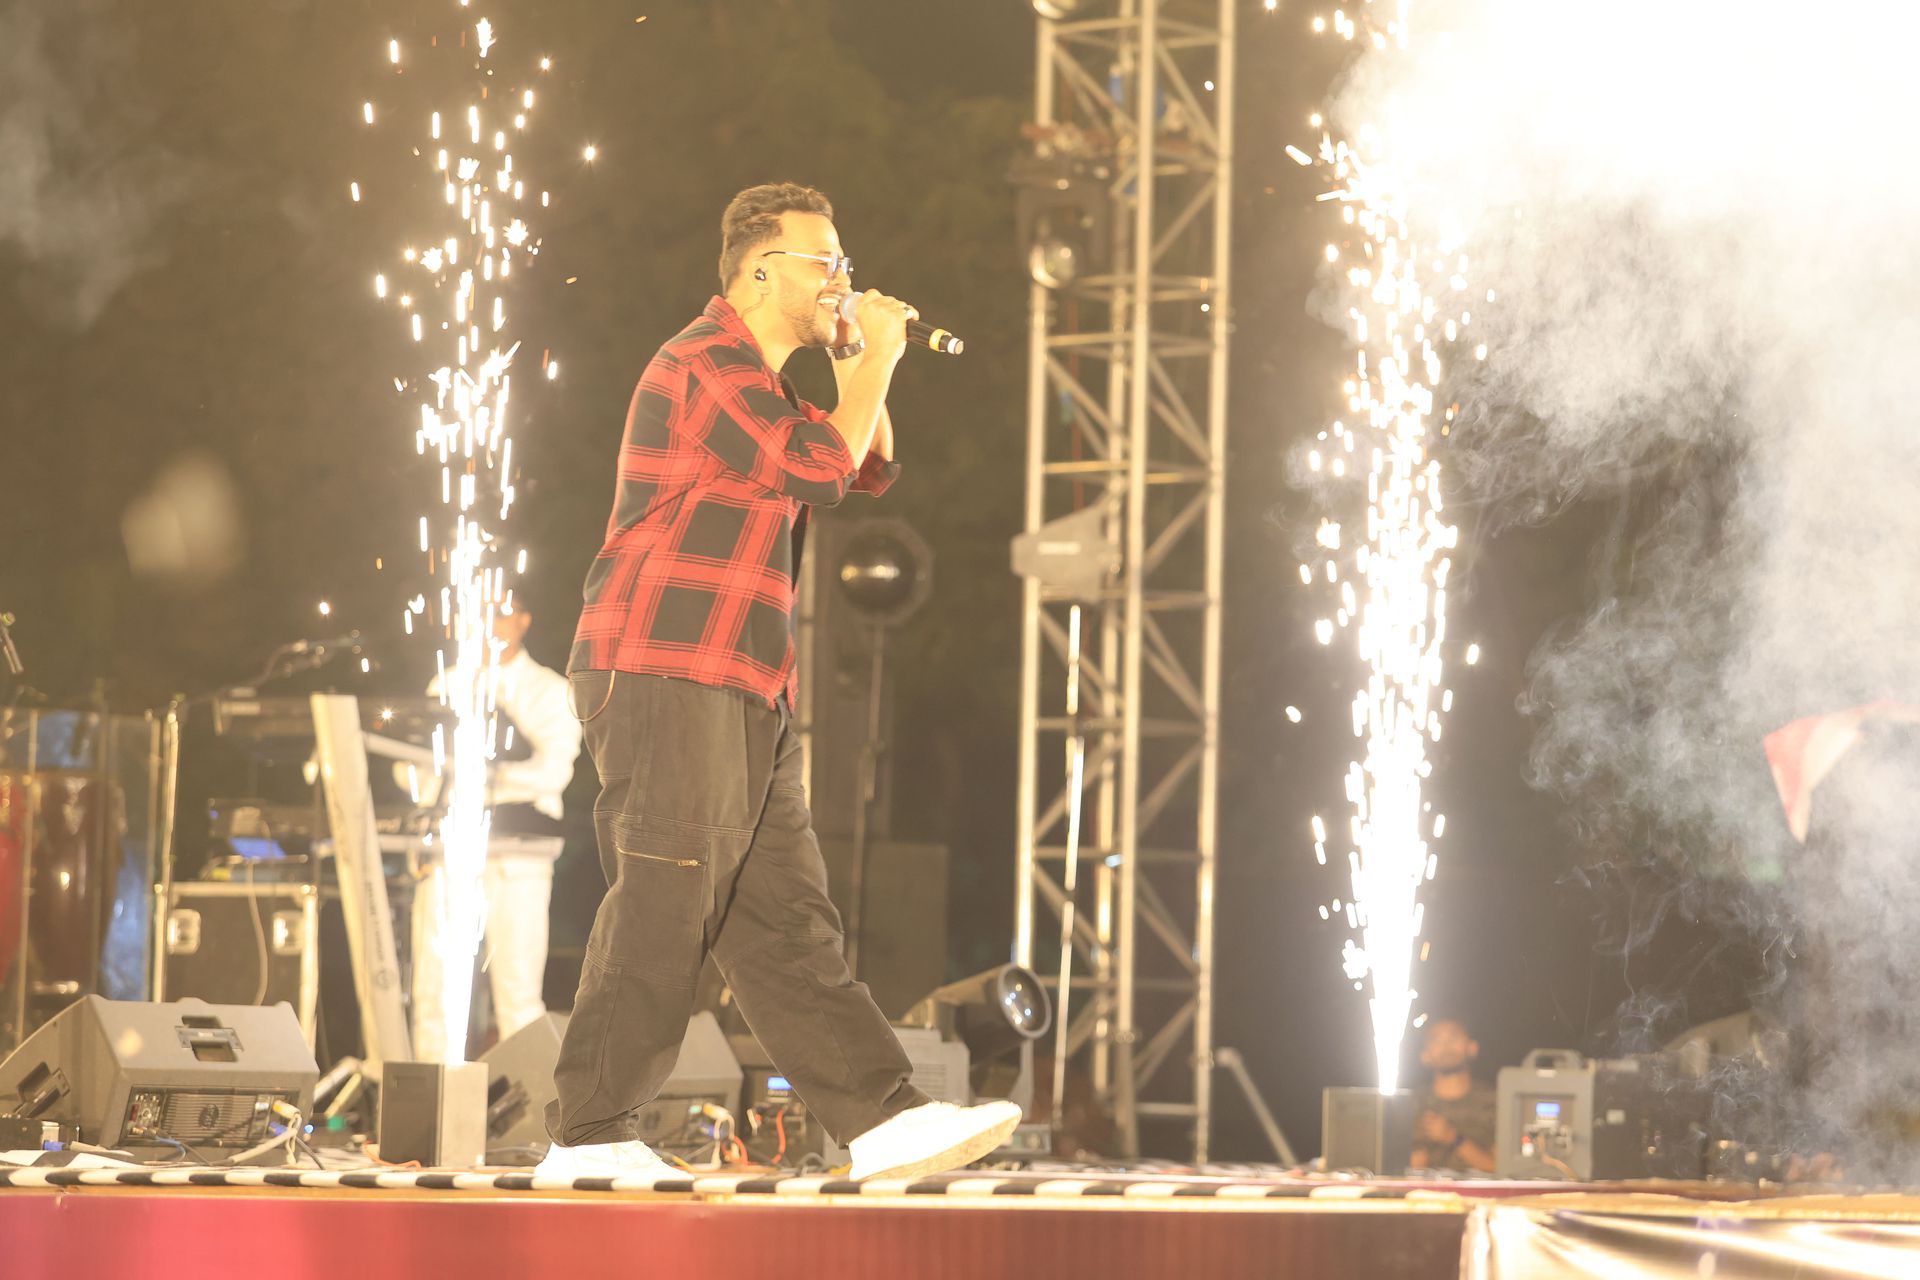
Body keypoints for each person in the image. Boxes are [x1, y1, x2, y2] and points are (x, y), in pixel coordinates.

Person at [537, 183, 1021, 1181]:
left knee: (784, 920)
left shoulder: (766, 384)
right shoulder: (704, 363)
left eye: (846, 262)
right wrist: (878, 358)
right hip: (667, 665)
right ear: (762, 271)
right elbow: (819, 467)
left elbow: (865, 458)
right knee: (668, 893)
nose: (843, 277)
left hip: (747, 680)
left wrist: (857, 359)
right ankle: (588, 1134)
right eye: (825, 260)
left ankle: (880, 1118)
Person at [409, 600, 583, 1062]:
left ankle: (525, 1100)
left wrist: (479, 780)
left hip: (518, 857)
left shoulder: (549, 690)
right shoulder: (448, 684)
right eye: (480, 611)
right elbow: (419, 770)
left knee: (518, 990)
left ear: (524, 619)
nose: (488, 622)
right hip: (452, 850)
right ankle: (435, 1092)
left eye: (502, 612)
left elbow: (552, 772)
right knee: (434, 987)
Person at [1408, 1017, 1498, 1173]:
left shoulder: (1493, 1101)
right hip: (1427, 1188)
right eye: (1436, 1040)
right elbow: (1403, 1169)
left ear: (1472, 1048)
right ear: (1424, 1056)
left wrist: (1453, 1137)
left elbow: (1500, 1167)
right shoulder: (1413, 1104)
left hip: (1480, 1188)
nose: (1446, 1046)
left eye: (1454, 1037)